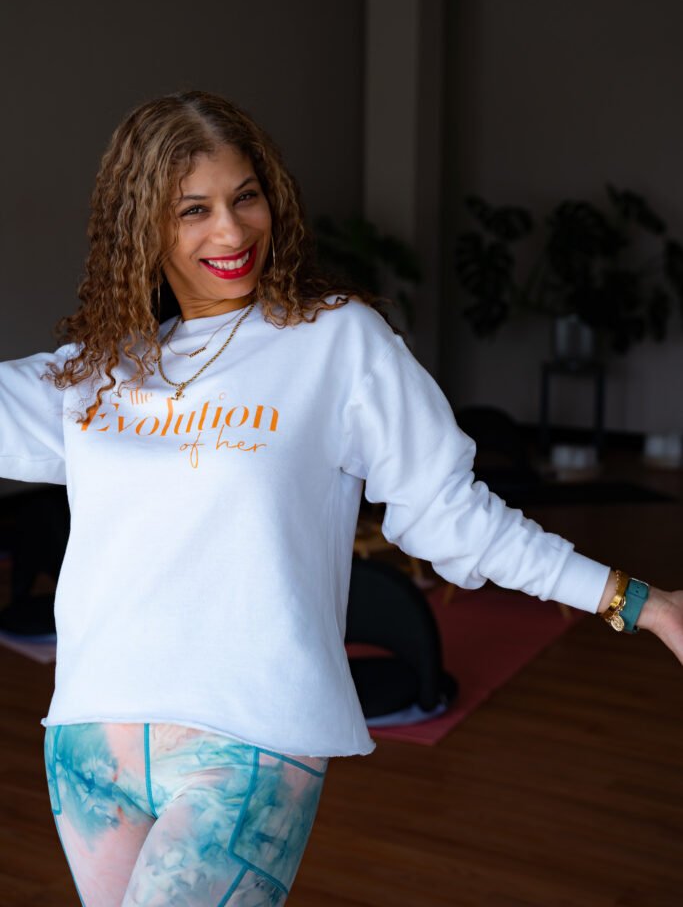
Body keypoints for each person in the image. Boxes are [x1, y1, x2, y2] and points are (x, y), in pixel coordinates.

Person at [1, 90, 681, 907]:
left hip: (245, 742)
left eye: (245, 196)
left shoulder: (334, 341)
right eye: (193, 210)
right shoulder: (95, 372)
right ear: (141, 226)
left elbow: (450, 516)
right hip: (89, 743)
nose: (231, 231)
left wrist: (637, 603)